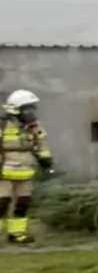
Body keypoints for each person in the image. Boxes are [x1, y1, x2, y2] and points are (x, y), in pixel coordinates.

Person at [0, 90, 54, 244]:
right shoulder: (2, 124)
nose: (30, 112)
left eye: (32, 108)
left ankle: (16, 234)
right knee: (2, 203)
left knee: (22, 204)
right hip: (5, 171)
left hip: (26, 170)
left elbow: (42, 144)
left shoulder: (34, 126)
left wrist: (46, 159)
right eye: (27, 108)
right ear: (16, 109)